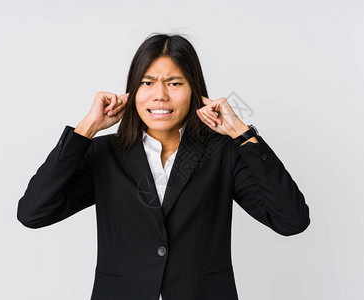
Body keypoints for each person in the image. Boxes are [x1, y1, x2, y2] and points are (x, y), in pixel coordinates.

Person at [17, 33, 310, 300]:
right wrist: (87, 128)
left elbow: (291, 221)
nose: (160, 95)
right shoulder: (104, 154)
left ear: (195, 91)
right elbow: (33, 213)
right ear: (133, 91)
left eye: (174, 83)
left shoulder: (223, 154)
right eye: (147, 83)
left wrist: (242, 134)